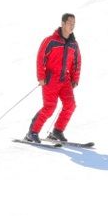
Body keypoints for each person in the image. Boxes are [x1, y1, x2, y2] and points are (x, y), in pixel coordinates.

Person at [25, 13, 81, 144]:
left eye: (74, 23)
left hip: (65, 80)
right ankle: (32, 132)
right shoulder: (51, 41)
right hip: (50, 79)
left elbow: (77, 63)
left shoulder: (74, 44)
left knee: (70, 105)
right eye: (69, 23)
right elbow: (41, 58)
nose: (72, 26)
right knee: (50, 107)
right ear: (62, 23)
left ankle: (57, 131)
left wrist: (75, 79)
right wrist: (41, 77)